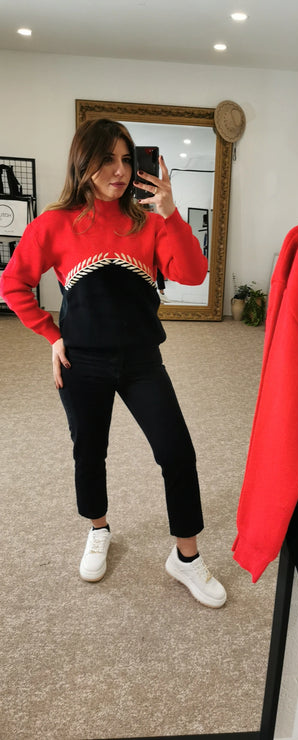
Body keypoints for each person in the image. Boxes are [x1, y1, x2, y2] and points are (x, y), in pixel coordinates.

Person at [0, 118, 226, 609]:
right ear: (84, 163)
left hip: (142, 360)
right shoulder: (55, 223)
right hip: (82, 362)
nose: (120, 171)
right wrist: (51, 335)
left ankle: (186, 558)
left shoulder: (149, 222)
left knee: (177, 453)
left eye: (127, 159)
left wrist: (170, 213)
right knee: (89, 452)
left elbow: (193, 273)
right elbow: (12, 284)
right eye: (107, 160)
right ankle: (98, 528)